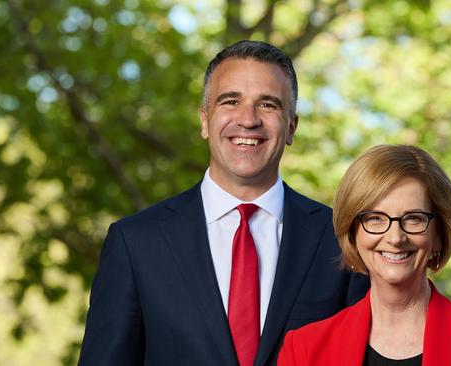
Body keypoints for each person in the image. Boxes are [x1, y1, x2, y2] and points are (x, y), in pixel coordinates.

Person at [78, 40, 369, 366]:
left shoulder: (342, 240)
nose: (248, 119)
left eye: (268, 105)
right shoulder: (136, 243)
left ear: (291, 127)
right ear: (205, 120)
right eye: (230, 101)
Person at [278, 145, 451, 366]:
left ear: (439, 234)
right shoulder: (304, 349)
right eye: (375, 218)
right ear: (353, 232)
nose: (396, 238)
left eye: (413, 219)